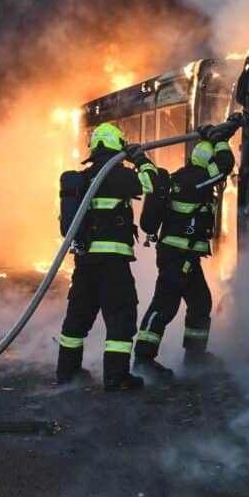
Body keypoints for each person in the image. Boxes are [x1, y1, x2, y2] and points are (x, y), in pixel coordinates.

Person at [56, 122, 159, 392]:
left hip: (85, 263)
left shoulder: (85, 178)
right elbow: (152, 183)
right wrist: (141, 160)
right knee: (121, 318)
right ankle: (116, 378)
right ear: (118, 146)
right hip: (113, 264)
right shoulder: (116, 176)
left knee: (77, 319)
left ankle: (68, 373)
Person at [132, 123, 236, 381]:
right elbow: (225, 166)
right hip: (179, 257)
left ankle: (195, 357)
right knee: (164, 305)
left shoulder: (184, 177)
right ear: (207, 163)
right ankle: (143, 360)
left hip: (183, 256)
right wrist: (220, 139)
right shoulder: (198, 181)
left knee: (200, 303)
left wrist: (223, 133)